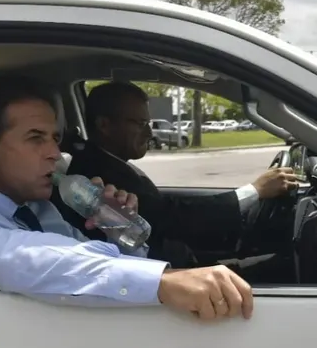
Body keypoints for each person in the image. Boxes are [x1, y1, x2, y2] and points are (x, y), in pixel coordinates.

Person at [0, 74, 253, 321]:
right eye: (35, 138)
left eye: (54, 138)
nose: (55, 153)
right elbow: (26, 258)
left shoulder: (40, 209)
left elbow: (96, 265)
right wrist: (162, 281)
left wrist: (120, 233)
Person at [55, 81, 298, 267]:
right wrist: (254, 191)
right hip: (167, 274)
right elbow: (172, 218)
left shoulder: (107, 161)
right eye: (140, 123)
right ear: (104, 125)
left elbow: (166, 212)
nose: (150, 132)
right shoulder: (96, 176)